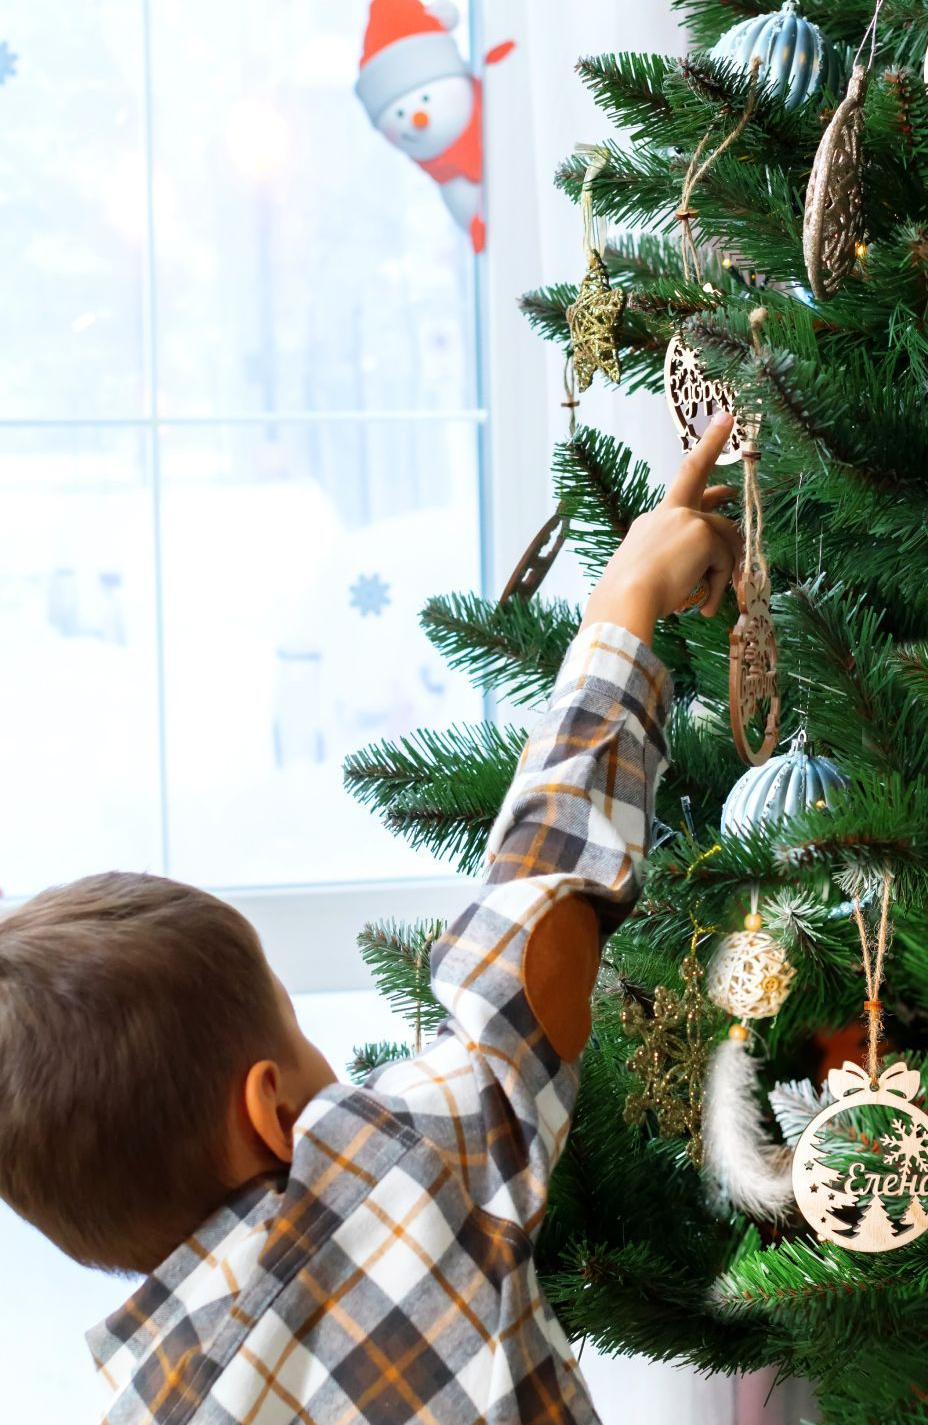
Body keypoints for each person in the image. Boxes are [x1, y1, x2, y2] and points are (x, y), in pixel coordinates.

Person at [0, 414, 740, 1425]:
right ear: (270, 1113)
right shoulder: (373, 1183)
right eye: (300, 1037)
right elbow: (527, 932)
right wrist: (627, 604)